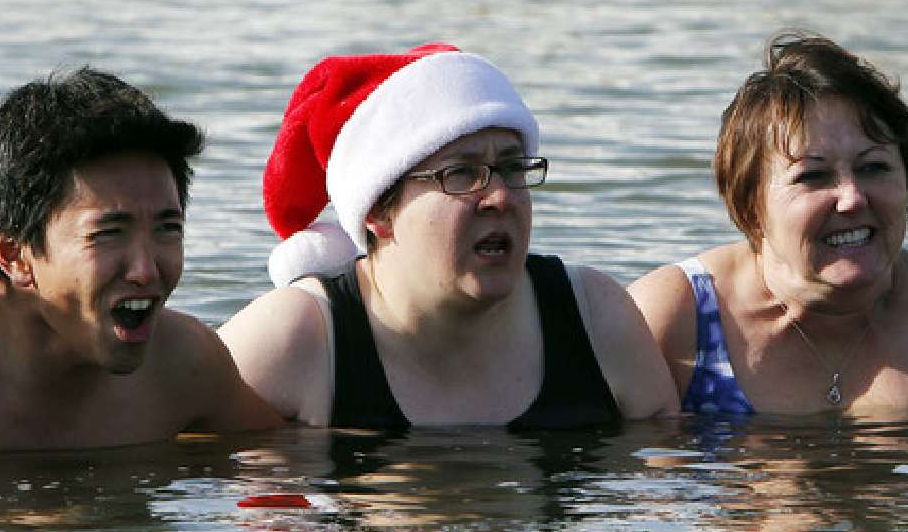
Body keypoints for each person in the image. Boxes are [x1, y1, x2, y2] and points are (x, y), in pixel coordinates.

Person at [219, 43, 677, 428]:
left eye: (513, 167)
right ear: (379, 210)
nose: (500, 197)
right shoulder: (293, 339)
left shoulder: (595, 317)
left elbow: (664, 499)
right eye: (462, 173)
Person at [0, 67, 281, 448]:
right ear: (14, 253)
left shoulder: (185, 362)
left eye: (167, 229)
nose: (146, 269)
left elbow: (284, 462)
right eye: (109, 233)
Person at [629, 31, 908, 416]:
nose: (852, 198)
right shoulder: (675, 317)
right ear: (750, 202)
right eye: (813, 176)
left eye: (873, 167)